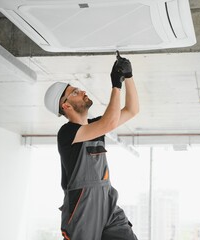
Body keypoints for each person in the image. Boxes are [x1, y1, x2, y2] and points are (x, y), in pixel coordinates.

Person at [44, 52, 139, 240]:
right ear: (66, 106)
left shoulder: (96, 126)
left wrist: (128, 77)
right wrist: (115, 84)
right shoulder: (67, 133)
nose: (82, 92)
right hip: (82, 206)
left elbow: (132, 110)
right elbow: (109, 124)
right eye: (75, 93)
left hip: (106, 200)